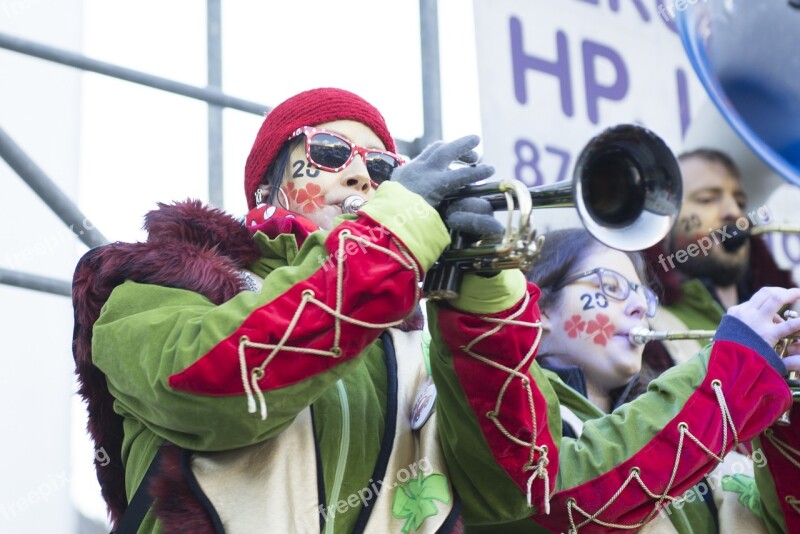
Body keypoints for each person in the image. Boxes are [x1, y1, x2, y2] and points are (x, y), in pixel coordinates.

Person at [72, 87, 798, 534]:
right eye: (329, 153)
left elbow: (539, 496)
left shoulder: (420, 347)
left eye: (386, 170)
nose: (361, 173)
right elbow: (221, 385)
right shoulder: (156, 286)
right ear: (263, 189)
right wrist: (394, 230)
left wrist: (480, 288)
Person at [518, 228, 800, 533]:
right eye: (611, 287)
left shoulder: (705, 443)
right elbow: (574, 491)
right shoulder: (519, 418)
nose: (640, 309)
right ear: (541, 308)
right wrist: (736, 360)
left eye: (644, 296)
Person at [643, 148, 797, 372]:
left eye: (741, 202)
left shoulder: (786, 315)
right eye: (707, 199)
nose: (735, 211)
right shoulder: (647, 328)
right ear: (664, 223)